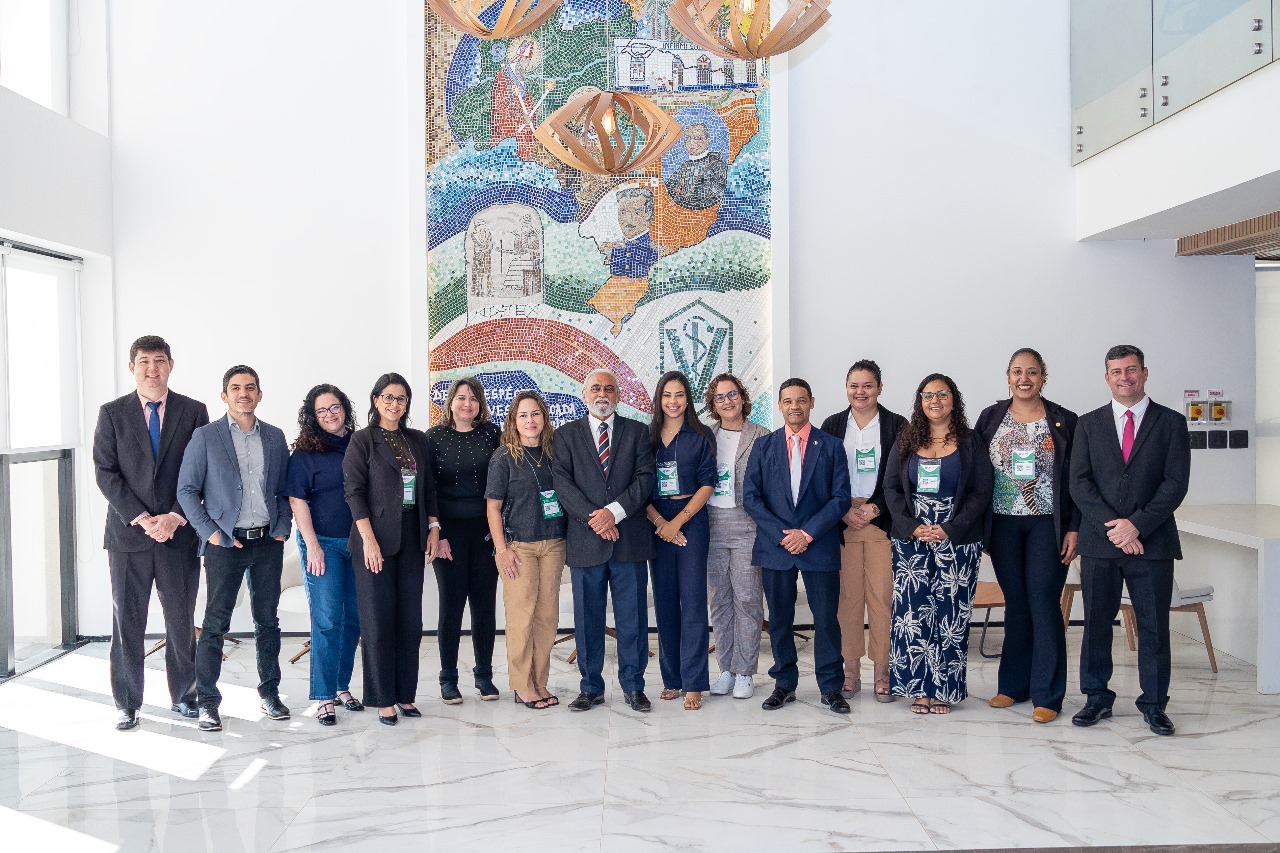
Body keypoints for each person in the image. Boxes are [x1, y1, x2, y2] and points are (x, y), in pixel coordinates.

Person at [1069, 345, 1190, 736]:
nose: (1124, 377)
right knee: (1097, 625)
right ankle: (1096, 698)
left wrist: (1136, 525)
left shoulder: (1170, 423)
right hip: (1101, 544)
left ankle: (1154, 704)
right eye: (1116, 371)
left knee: (1154, 627)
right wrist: (1116, 527)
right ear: (1107, 378)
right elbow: (1079, 483)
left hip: (1151, 543)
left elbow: (1175, 484)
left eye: (1131, 369)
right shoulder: (1088, 424)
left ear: (1145, 373)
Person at [93, 335, 210, 731]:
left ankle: (185, 696)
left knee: (180, 618)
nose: (152, 368)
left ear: (171, 365)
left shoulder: (194, 411)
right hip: (129, 537)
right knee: (128, 621)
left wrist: (175, 517)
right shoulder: (112, 413)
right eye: (144, 361)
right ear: (132, 367)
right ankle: (127, 703)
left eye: (159, 360)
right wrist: (143, 519)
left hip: (178, 533)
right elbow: (105, 473)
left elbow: (200, 471)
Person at [177, 365, 292, 733]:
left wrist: (283, 528)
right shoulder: (206, 437)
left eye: (251, 388)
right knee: (214, 624)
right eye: (236, 388)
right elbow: (186, 491)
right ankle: (208, 702)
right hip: (225, 544)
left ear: (260, 395)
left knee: (267, 621)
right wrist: (211, 533)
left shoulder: (274, 437)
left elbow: (284, 490)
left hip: (267, 543)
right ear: (224, 395)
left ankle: (270, 693)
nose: (244, 393)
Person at [975, 349, 1079, 724]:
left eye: (1032, 372)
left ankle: (1048, 693)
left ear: (1042, 377)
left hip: (1045, 523)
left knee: (1043, 603)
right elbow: (976, 469)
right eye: (1017, 371)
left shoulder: (1065, 420)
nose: (1024, 378)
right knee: (1016, 602)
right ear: (1008, 377)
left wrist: (1075, 527)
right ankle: (1013, 686)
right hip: (1002, 524)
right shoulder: (991, 417)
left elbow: (1078, 480)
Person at [742, 378, 852, 715]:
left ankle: (831, 687)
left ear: (812, 402)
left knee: (826, 620)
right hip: (776, 548)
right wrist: (783, 534)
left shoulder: (831, 445)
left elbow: (840, 498)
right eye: (788, 401)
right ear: (780, 405)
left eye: (801, 400)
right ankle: (784, 683)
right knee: (779, 620)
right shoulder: (763, 446)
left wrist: (806, 534)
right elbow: (752, 498)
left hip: (818, 546)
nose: (795, 406)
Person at [883, 374, 991, 715]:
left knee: (950, 614)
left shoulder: (971, 441)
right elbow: (891, 488)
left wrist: (950, 528)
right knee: (913, 612)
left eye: (942, 394)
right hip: (912, 538)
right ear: (920, 401)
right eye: (928, 394)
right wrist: (913, 527)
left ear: (953, 399)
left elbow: (981, 492)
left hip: (956, 538)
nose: (935, 400)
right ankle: (920, 689)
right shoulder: (906, 437)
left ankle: (945, 688)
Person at [552, 368, 656, 712]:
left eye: (609, 388)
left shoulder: (639, 433)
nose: (602, 393)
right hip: (586, 542)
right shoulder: (565, 436)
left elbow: (645, 479)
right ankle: (590, 687)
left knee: (633, 620)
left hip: (629, 542)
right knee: (587, 621)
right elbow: (562, 484)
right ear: (584, 395)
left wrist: (614, 512)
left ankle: (634, 686)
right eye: (595, 387)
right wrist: (596, 519)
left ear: (618, 396)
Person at [344, 373, 441, 725]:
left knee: (410, 623)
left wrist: (433, 527)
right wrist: (368, 540)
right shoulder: (363, 440)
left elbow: (429, 489)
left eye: (400, 398)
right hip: (375, 544)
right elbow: (353, 493)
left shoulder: (417, 440)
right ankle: (383, 698)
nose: (394, 404)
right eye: (388, 397)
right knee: (378, 621)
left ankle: (405, 694)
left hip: (412, 540)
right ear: (375, 400)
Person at [819, 359, 906, 702]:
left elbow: (904, 476)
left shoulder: (898, 425)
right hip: (843, 525)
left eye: (867, 385)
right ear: (846, 388)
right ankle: (850, 671)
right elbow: (821, 475)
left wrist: (876, 507)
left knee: (882, 598)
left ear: (880, 388)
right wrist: (842, 510)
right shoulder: (833, 424)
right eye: (854, 385)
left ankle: (883, 672)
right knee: (848, 601)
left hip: (880, 523)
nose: (860, 392)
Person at [286, 384, 362, 726]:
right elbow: (297, 500)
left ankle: (341, 685)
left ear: (344, 408)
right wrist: (312, 545)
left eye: (335, 407)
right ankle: (324, 696)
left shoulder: (361, 444)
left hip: (358, 545)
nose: (330, 414)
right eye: (322, 410)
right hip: (323, 546)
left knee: (354, 620)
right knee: (328, 619)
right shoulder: (304, 453)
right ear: (312, 416)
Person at [486, 391, 565, 710]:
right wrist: (502, 550)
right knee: (521, 617)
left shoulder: (554, 453)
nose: (530, 421)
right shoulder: (504, 457)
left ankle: (539, 681)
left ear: (544, 418)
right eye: (523, 415)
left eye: (535, 414)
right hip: (518, 546)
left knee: (547, 617)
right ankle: (521, 685)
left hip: (554, 544)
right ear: (513, 421)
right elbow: (493, 508)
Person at [427, 377, 503, 703]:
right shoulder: (433, 438)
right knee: (451, 607)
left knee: (484, 606)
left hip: (487, 533)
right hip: (448, 537)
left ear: (481, 403)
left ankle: (484, 676)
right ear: (450, 402)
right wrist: (437, 534)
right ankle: (448, 678)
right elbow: (426, 492)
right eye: (461, 398)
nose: (467, 404)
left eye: (473, 398)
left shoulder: (493, 434)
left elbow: (505, 482)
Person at [644, 371, 716, 710]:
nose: (673, 401)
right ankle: (671, 679)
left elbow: (707, 485)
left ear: (689, 399)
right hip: (656, 524)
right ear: (659, 400)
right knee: (666, 603)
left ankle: (694, 682)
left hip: (692, 522)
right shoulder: (647, 437)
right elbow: (638, 486)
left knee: (693, 602)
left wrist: (678, 522)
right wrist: (661, 522)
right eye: (667, 395)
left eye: (680, 395)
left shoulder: (700, 436)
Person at [704, 373, 768, 700]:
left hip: (748, 526)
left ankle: (745, 671)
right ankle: (725, 669)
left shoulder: (762, 436)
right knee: (720, 600)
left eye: (732, 394)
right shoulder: (706, 436)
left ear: (742, 397)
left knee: (747, 599)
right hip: (712, 525)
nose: (727, 401)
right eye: (720, 397)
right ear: (712, 404)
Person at [665, 122, 728, 210]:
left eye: (697, 138)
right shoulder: (684, 167)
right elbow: (669, 187)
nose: (691, 143)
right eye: (687, 138)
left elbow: (717, 194)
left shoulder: (717, 165)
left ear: (707, 140)